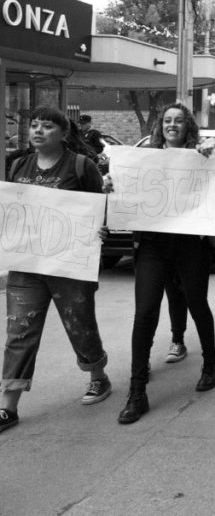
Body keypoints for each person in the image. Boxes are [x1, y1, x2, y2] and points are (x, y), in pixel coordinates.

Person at [0, 107, 112, 434]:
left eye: (47, 126)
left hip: (69, 265)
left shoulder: (81, 166)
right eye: (34, 125)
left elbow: (99, 207)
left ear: (63, 134)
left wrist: (99, 230)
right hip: (28, 266)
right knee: (19, 332)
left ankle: (98, 377)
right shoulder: (19, 165)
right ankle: (8, 406)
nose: (38, 131)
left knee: (80, 325)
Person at [116, 103, 215, 425]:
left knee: (196, 303)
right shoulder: (146, 157)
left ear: (188, 126)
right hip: (152, 245)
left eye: (178, 121)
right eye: (167, 121)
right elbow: (128, 194)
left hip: (189, 245)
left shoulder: (202, 155)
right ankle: (137, 391)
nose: (172, 125)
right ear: (160, 126)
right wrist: (114, 186)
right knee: (145, 311)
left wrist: (211, 158)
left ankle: (211, 363)